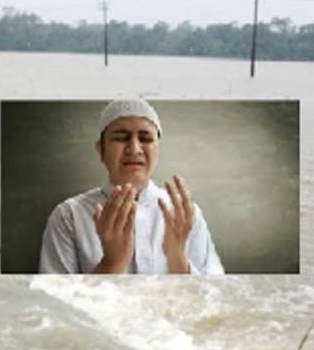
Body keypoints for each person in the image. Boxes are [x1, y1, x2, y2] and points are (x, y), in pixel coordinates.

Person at [39, 99, 224, 274]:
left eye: (146, 139)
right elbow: (54, 302)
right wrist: (111, 264)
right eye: (121, 138)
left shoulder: (185, 215)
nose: (135, 149)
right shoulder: (68, 216)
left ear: (157, 149)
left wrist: (178, 260)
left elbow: (216, 296)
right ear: (100, 150)